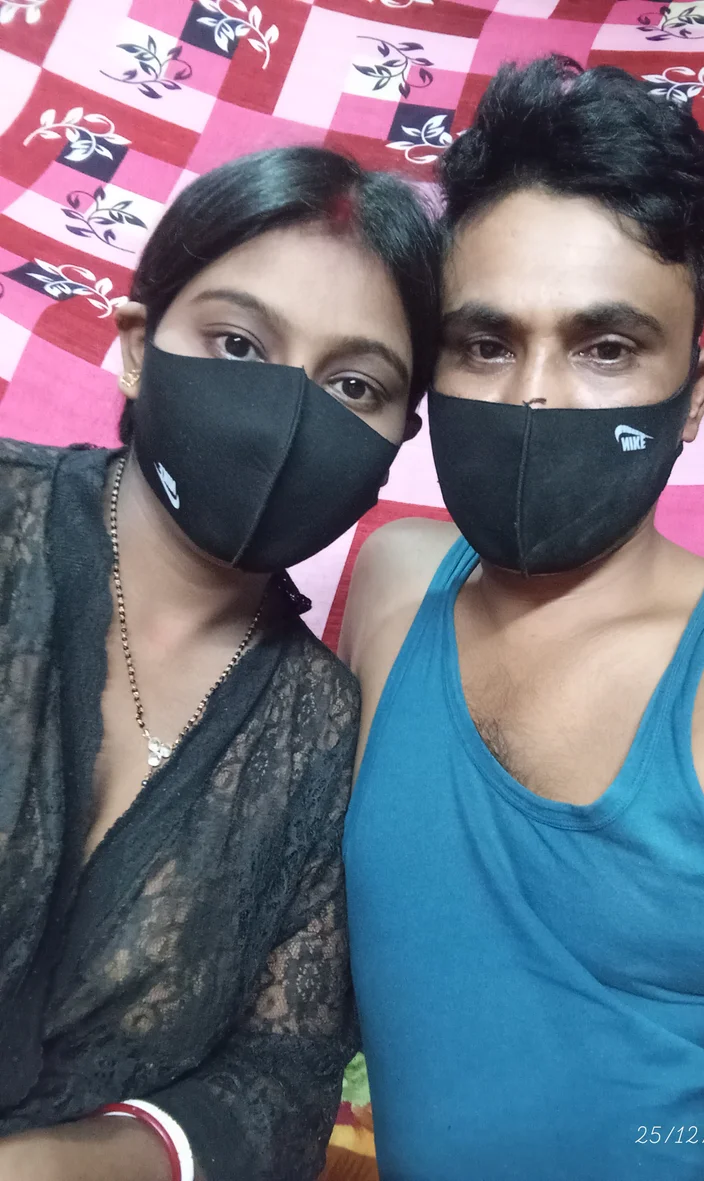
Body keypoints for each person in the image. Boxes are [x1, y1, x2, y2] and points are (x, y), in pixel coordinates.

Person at [340, 57, 704, 1181]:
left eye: (605, 347)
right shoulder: (392, 582)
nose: (534, 396)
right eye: (486, 344)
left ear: (695, 392)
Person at [0, 146, 438, 1181]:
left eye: (354, 383)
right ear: (137, 345)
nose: (286, 413)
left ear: (397, 439)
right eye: (239, 343)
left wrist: (58, 1166)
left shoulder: (323, 735)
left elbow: (280, 1081)